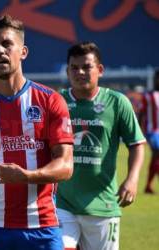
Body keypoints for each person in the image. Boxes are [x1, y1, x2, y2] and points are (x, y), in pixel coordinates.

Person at [0, 15, 74, 250]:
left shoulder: (50, 102)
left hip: (43, 229)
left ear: (23, 51)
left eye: (7, 43)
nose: (0, 50)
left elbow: (66, 166)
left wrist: (27, 176)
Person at [56, 42, 146, 250]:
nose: (79, 72)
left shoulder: (117, 102)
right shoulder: (57, 101)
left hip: (102, 205)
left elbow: (136, 143)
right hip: (62, 203)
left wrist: (132, 180)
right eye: (74, 67)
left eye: (86, 66)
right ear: (68, 71)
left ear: (100, 70)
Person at [139, 69, 159, 194]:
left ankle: (148, 186)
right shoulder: (148, 96)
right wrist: (139, 132)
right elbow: (141, 114)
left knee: (155, 158)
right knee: (157, 152)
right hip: (151, 131)